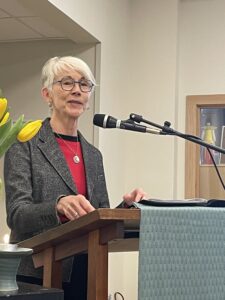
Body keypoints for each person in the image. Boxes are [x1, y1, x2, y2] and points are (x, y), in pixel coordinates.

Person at [4, 56, 147, 300]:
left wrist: (127, 207)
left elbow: (98, 217)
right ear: (47, 94)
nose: (77, 91)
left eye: (84, 84)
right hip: (37, 273)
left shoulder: (93, 155)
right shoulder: (24, 146)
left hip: (87, 272)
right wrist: (57, 205)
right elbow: (17, 215)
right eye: (67, 83)